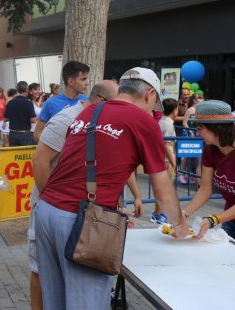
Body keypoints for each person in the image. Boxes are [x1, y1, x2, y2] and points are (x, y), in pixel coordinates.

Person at [35, 67, 189, 309]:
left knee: (55, 301)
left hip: (47, 211)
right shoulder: (143, 122)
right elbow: (162, 189)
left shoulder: (91, 111)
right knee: (86, 303)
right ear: (149, 94)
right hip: (80, 220)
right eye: (154, 104)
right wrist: (180, 225)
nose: (152, 111)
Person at [31, 80, 140, 310]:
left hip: (85, 213)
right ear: (102, 102)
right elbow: (40, 161)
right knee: (45, 274)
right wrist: (51, 201)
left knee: (75, 286)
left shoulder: (106, 121)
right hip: (58, 210)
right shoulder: (66, 119)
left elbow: (110, 167)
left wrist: (121, 203)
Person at [183, 100, 235, 250]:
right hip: (231, 219)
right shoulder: (210, 150)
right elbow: (205, 189)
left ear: (217, 129)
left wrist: (214, 219)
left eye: (200, 128)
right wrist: (184, 214)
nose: (197, 133)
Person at [34, 61, 90, 143]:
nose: (87, 83)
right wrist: (51, 151)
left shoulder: (87, 102)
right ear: (70, 81)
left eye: (87, 79)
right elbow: (37, 134)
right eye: (83, 79)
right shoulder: (51, 103)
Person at [151, 98, 179, 224]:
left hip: (161, 159)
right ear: (175, 110)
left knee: (161, 188)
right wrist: (174, 163)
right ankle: (160, 214)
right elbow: (166, 145)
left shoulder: (162, 121)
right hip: (166, 160)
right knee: (165, 189)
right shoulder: (167, 124)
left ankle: (158, 213)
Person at [3, 81, 36, 146]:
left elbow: (5, 118)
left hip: (12, 133)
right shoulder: (28, 103)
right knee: (26, 155)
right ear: (27, 89)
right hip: (25, 134)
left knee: (14, 154)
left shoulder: (11, 102)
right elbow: (33, 120)